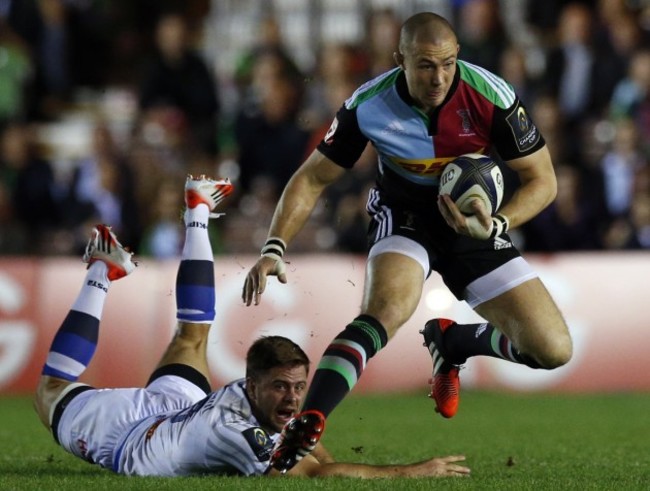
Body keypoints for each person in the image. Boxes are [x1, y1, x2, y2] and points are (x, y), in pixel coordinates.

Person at [242, 11, 573, 472]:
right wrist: (274, 247)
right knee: (386, 312)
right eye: (425, 65)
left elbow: (543, 180)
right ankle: (310, 418)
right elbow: (311, 178)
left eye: (448, 64)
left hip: (475, 227)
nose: (438, 77)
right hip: (405, 217)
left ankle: (455, 343)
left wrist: (497, 223)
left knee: (554, 350)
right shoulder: (368, 104)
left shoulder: (492, 95)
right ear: (400, 59)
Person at [34, 174, 470, 478]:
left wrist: (311, 433)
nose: (294, 397)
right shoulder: (239, 435)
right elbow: (316, 474)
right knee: (49, 390)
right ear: (251, 384)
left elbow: (308, 444)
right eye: (283, 386)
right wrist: (416, 471)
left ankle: (199, 210)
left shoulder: (258, 399)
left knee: (192, 335)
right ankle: (99, 272)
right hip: (126, 438)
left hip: (182, 414)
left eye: (299, 386)